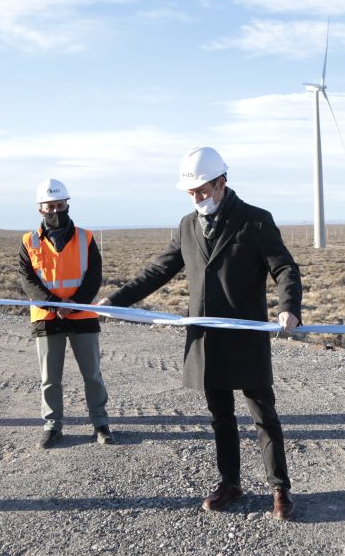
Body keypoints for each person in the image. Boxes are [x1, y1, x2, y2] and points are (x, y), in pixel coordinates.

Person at [99, 146, 302, 520]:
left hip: (245, 336)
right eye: (192, 193)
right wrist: (114, 301)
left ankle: (280, 489)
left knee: (263, 415)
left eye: (203, 191)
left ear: (222, 182)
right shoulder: (187, 226)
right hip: (206, 340)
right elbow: (156, 272)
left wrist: (289, 307)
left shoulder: (256, 221)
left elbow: (285, 268)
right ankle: (230, 483)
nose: (197, 199)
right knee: (220, 416)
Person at [18, 178, 113, 449]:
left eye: (60, 205)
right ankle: (52, 425)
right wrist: (53, 304)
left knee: (92, 374)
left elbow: (94, 276)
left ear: (67, 205)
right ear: (40, 209)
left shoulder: (86, 238)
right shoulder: (28, 241)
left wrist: (74, 303)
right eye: (50, 206)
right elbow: (27, 280)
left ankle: (100, 423)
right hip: (47, 318)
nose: (55, 211)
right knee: (50, 378)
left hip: (82, 314)